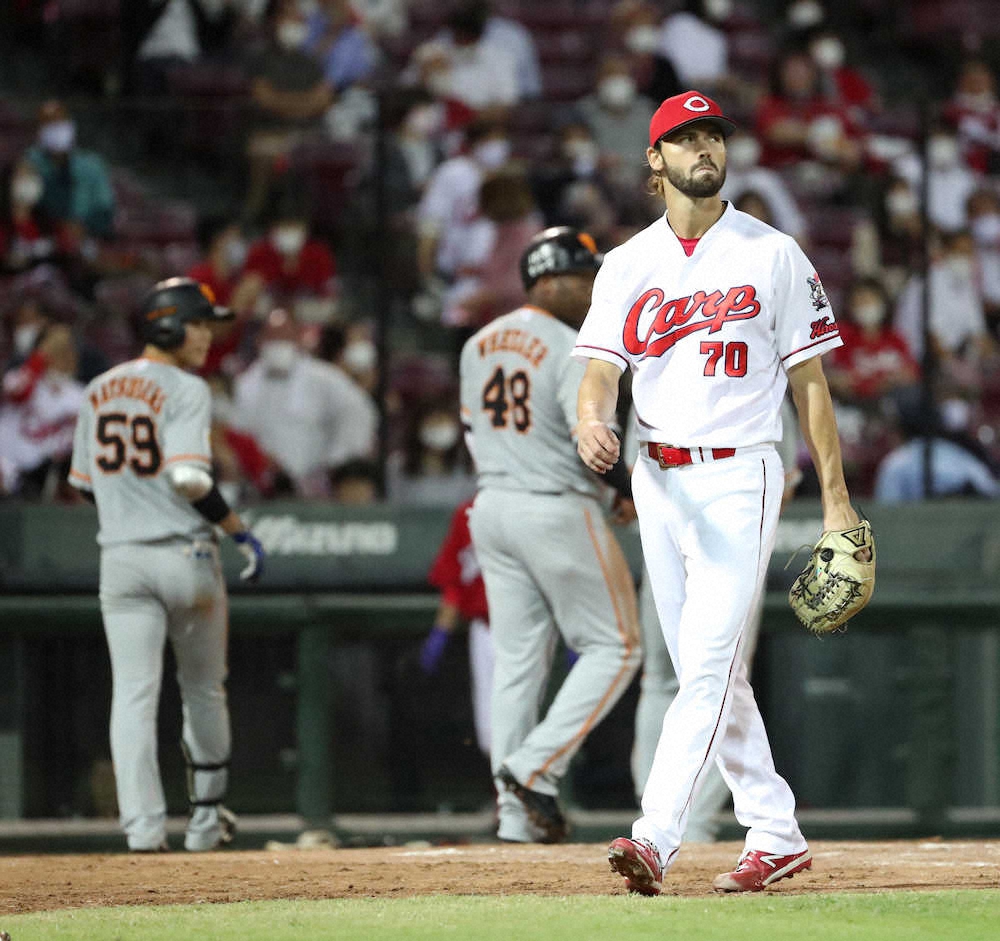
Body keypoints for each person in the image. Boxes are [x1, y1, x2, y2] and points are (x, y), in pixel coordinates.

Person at [574, 91, 862, 893]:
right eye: (686, 137)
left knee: (702, 666)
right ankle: (774, 829)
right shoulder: (627, 263)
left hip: (741, 469)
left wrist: (837, 501)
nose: (705, 148)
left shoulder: (772, 252)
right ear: (655, 161)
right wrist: (591, 418)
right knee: (716, 671)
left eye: (714, 135)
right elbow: (599, 371)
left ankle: (654, 835)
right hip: (656, 476)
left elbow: (811, 384)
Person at [67, 277, 267, 852]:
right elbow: (187, 477)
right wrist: (237, 529)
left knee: (132, 693)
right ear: (168, 325)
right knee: (204, 690)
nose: (208, 334)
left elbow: (84, 486)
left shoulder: (98, 387)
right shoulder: (186, 387)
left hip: (122, 560)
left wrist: (131, 504)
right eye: (199, 323)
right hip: (186, 554)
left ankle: (143, 830)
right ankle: (205, 824)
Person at [461, 227, 641, 843]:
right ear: (549, 279)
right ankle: (534, 768)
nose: (593, 288)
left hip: (492, 507)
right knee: (618, 647)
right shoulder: (572, 345)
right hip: (555, 507)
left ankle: (515, 817)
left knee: (517, 662)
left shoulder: (476, 344)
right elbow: (592, 439)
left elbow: (470, 434)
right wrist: (625, 489)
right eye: (583, 277)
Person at [232, 308, 376, 497]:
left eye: (285, 336)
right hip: (262, 486)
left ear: (298, 338)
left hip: (315, 485)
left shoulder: (323, 378)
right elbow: (238, 431)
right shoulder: (245, 384)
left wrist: (336, 462)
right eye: (273, 337)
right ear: (260, 341)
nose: (278, 344)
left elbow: (359, 411)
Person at [418, 498, 493, 758]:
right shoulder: (468, 513)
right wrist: (440, 634)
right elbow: (453, 584)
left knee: (534, 727)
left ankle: (534, 796)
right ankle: (506, 797)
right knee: (490, 732)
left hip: (533, 630)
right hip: (486, 630)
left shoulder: (539, 505)